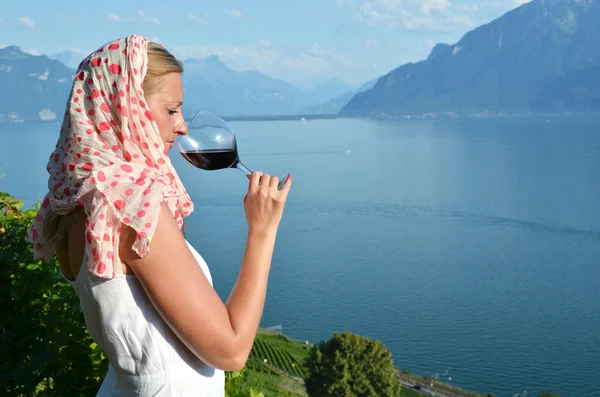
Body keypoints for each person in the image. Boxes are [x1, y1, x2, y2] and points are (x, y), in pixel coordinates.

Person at [25, 34, 292, 396]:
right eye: (171, 110)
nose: (182, 126)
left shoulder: (72, 199)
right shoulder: (129, 202)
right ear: (128, 107)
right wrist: (262, 230)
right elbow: (231, 351)